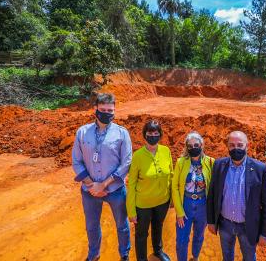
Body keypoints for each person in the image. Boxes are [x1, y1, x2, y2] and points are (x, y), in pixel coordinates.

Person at [72, 93, 132, 261]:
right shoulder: (82, 132)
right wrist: (92, 185)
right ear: (95, 109)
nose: (106, 113)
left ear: (114, 111)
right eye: (103, 109)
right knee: (91, 226)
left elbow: (126, 162)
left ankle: (124, 254)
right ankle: (94, 255)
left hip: (115, 190)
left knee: (122, 225)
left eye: (110, 110)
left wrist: (104, 185)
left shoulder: (122, 133)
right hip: (89, 191)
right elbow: (76, 161)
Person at [207, 131, 266, 261]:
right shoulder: (219, 165)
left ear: (247, 146)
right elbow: (212, 194)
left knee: (249, 257)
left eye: (240, 145)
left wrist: (265, 233)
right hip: (225, 225)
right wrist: (211, 221)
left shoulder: (260, 169)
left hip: (248, 227)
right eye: (232, 145)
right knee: (227, 257)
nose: (236, 148)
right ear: (227, 146)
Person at [126, 120, 173, 261]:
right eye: (149, 133)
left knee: (158, 227)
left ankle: (158, 251)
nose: (153, 136)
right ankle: (141, 258)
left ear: (160, 135)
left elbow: (170, 175)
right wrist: (131, 211)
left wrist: (171, 199)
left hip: (162, 201)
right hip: (143, 204)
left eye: (156, 133)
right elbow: (132, 184)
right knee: (141, 233)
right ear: (144, 135)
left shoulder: (166, 151)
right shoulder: (138, 156)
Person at [172, 132, 215, 261]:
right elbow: (174, 187)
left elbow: (214, 188)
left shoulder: (210, 162)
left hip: (203, 205)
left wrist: (211, 211)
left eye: (196, 145)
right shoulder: (181, 162)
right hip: (186, 204)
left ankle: (195, 257)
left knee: (199, 235)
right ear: (186, 147)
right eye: (190, 146)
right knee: (181, 239)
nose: (193, 147)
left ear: (201, 145)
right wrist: (179, 212)